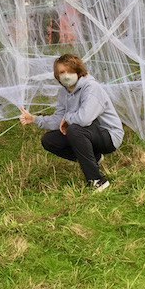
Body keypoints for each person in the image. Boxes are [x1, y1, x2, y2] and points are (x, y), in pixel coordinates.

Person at [19, 53, 124, 191]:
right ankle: (94, 158)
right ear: (57, 75)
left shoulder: (91, 88)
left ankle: (98, 181)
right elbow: (59, 119)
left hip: (109, 136)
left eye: (70, 71)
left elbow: (85, 118)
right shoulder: (64, 92)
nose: (66, 75)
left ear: (78, 71)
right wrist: (34, 119)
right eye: (62, 72)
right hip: (87, 134)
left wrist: (67, 119)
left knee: (74, 130)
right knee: (49, 140)